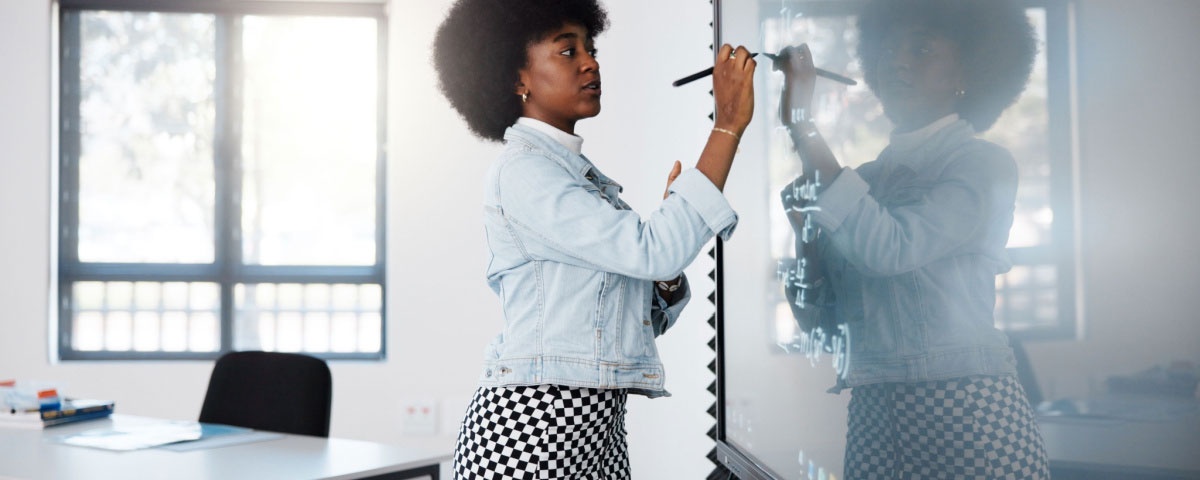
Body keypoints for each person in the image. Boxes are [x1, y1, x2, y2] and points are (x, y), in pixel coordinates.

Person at [432, 0, 756, 477]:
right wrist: (727, 124)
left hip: (594, 431)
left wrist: (664, 269)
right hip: (530, 433)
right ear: (517, 79)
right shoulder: (525, 171)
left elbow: (627, 319)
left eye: (591, 48)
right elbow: (653, 250)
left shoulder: (577, 178)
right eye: (568, 51)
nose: (590, 62)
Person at [774, 0, 1048, 477]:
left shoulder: (984, 166)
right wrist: (807, 243)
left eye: (920, 49)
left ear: (969, 70)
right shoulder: (862, 181)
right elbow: (822, 330)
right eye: (888, 49)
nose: (897, 61)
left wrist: (803, 124)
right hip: (873, 415)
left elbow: (891, 249)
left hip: (967, 413)